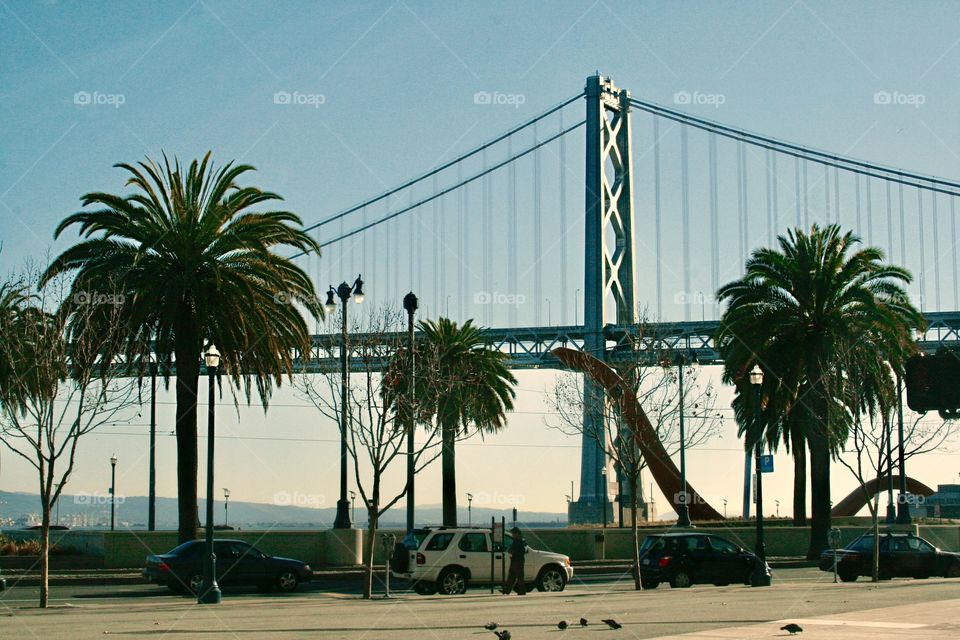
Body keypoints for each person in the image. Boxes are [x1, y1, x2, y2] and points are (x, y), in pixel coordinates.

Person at [501, 528, 526, 595]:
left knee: (519, 577)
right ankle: (507, 590)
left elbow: (521, 552)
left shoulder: (519, 541)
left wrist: (512, 552)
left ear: (517, 534)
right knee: (511, 576)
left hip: (518, 561)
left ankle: (522, 591)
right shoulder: (517, 541)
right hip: (514, 560)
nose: (512, 535)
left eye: (513, 534)